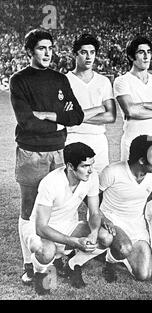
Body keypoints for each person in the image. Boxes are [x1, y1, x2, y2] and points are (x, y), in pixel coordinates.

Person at [9, 29, 84, 285]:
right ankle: (29, 264)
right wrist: (60, 123)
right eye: (41, 48)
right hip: (31, 152)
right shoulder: (19, 80)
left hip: (60, 153)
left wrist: (50, 116)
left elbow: (77, 116)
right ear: (30, 51)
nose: (47, 52)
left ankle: (58, 256)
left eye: (50, 48)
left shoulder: (60, 79)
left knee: (59, 205)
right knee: (29, 209)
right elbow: (27, 122)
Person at [20, 142, 113, 295]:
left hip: (68, 225)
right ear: (70, 166)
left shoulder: (92, 176)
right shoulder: (50, 183)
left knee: (106, 237)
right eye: (84, 166)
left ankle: (73, 263)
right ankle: (39, 272)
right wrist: (74, 242)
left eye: (91, 165)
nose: (90, 170)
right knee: (46, 251)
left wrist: (94, 232)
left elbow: (95, 212)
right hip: (39, 228)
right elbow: (41, 227)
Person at [99, 135, 152, 282]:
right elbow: (91, 196)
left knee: (144, 275)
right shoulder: (112, 172)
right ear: (142, 160)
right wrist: (102, 218)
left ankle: (122, 254)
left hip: (136, 223)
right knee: (123, 248)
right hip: (112, 219)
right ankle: (109, 261)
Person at [113, 37, 152, 161]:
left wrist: (142, 105)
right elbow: (131, 111)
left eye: (149, 52)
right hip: (133, 142)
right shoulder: (122, 81)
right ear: (131, 57)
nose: (147, 56)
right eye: (141, 52)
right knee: (132, 179)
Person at [66, 33, 116, 174]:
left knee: (99, 188)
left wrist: (77, 117)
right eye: (83, 52)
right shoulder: (65, 81)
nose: (89, 57)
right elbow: (64, 118)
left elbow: (111, 116)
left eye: (92, 52)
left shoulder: (103, 81)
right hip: (73, 138)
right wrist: (99, 108)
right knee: (74, 187)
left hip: (98, 140)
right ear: (74, 54)